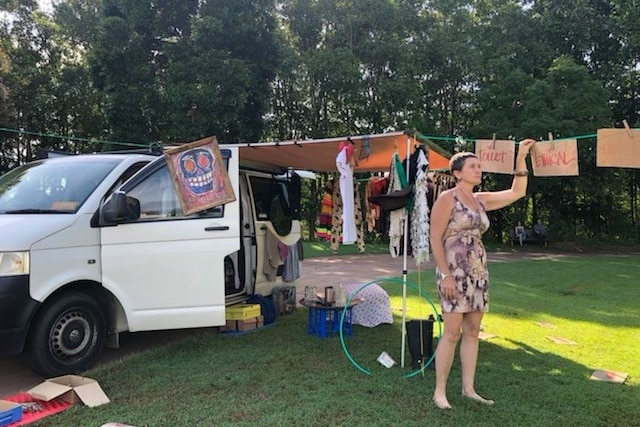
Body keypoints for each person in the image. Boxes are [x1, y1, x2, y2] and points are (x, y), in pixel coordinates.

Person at [429, 138, 536, 409]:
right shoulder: (446, 198)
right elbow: (435, 237)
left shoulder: (480, 200)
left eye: (479, 166)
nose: (479, 170)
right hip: (453, 272)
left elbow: (517, 192)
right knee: (451, 332)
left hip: (477, 272)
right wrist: (445, 275)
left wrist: (521, 156)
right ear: (457, 173)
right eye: (473, 166)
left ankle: (469, 389)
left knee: (473, 330)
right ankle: (439, 392)